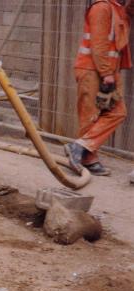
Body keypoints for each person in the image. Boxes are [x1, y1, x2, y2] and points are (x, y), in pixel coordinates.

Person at [64, 0, 133, 177]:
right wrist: (106, 74)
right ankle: (88, 158)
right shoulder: (101, 7)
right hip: (93, 70)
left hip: (107, 70)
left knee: (118, 112)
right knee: (90, 116)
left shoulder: (117, 8)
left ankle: (80, 148)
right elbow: (99, 43)